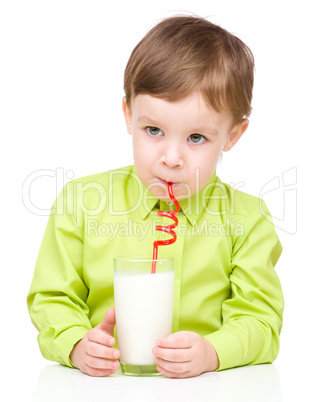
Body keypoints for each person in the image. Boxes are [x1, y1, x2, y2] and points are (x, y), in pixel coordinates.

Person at [27, 15, 284, 378]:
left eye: (197, 138)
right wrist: (75, 342)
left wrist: (213, 352)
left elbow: (260, 321)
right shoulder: (80, 203)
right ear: (128, 115)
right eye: (154, 130)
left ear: (233, 135)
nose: (172, 158)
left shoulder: (248, 219)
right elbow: (51, 297)